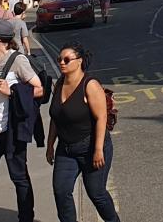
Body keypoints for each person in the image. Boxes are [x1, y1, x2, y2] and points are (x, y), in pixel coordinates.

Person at [0, 18, 45, 222]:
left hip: (11, 131)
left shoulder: (18, 60)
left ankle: (26, 218)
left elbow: (39, 89)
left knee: (19, 178)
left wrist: (11, 92)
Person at [47, 43, 120, 222]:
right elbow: (56, 117)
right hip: (66, 149)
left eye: (66, 60)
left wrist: (98, 149)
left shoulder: (90, 85)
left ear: (79, 61)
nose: (61, 63)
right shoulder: (59, 84)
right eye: (59, 60)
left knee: (96, 193)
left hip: (91, 147)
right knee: (61, 191)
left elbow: (101, 117)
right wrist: (50, 145)